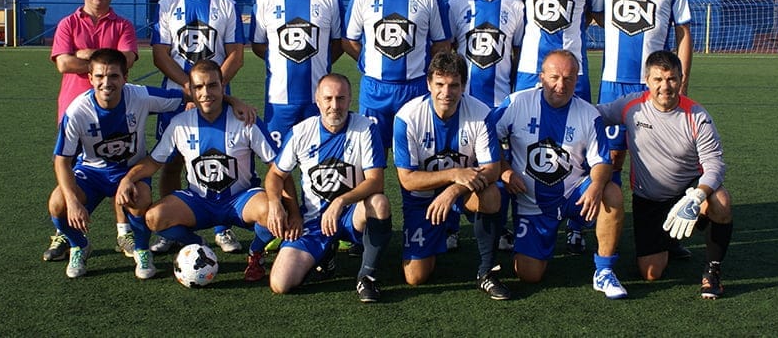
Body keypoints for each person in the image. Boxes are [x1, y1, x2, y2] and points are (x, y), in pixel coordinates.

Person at [116, 60, 282, 283]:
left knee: (274, 212)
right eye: (199, 87)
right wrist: (128, 178)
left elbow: (276, 166)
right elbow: (154, 162)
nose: (206, 93)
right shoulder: (180, 123)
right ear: (191, 91)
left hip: (239, 198)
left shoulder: (245, 119)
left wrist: (281, 203)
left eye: (212, 85)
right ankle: (197, 245)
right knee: (155, 218)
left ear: (223, 86)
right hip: (199, 201)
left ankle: (256, 252)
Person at [595, 0, 694, 259]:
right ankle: (603, 234)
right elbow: (591, 11)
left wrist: (681, 82)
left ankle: (668, 234)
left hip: (655, 89)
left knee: (662, 164)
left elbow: (684, 32)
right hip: (613, 85)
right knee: (609, 161)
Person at [595, 50, 731, 299]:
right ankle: (673, 239)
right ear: (647, 81)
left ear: (681, 79)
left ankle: (712, 271)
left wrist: (698, 196)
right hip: (650, 200)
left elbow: (715, 165)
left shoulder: (697, 115)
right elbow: (595, 114)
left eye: (671, 79)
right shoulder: (630, 106)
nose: (665, 86)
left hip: (688, 192)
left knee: (720, 201)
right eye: (658, 79)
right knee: (650, 273)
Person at [491, 49, 627, 299]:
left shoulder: (588, 113)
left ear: (577, 80)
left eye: (568, 78)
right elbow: (488, 138)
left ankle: (604, 271)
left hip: (573, 193)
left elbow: (603, 162)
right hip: (532, 204)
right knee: (529, 275)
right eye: (554, 77)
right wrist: (505, 170)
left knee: (611, 192)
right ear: (541, 77)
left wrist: (596, 185)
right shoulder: (517, 103)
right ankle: (540, 241)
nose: (560, 85)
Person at [508, 0, 604, 255]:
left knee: (575, 146)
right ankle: (518, 218)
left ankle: (578, 223)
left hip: (572, 74)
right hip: (530, 73)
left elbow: (596, 14)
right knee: (519, 144)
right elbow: (516, 15)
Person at [47, 48, 184, 279]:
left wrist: (231, 101)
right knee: (58, 203)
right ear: (90, 78)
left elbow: (190, 96)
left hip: (131, 170)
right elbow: (62, 160)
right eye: (99, 76)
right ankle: (79, 245)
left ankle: (141, 250)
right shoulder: (77, 111)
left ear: (125, 77)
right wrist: (72, 201)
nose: (106, 83)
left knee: (139, 196)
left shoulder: (140, 96)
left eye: (113, 76)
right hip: (91, 172)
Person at [151, 0, 247, 255]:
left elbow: (235, 54)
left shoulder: (226, 5)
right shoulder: (166, 5)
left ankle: (223, 227)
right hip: (176, 96)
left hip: (216, 98)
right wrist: (189, 88)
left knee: (223, 157)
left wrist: (211, 88)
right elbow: (160, 55)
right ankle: (170, 229)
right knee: (171, 161)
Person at [264, 73, 392, 303]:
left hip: (351, 216)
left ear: (350, 99)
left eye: (341, 98)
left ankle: (367, 276)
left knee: (379, 202)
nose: (335, 106)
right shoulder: (301, 132)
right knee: (280, 283)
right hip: (314, 222)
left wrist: (341, 201)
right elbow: (275, 174)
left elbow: (376, 181)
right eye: (329, 99)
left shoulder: (365, 128)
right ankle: (326, 253)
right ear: (317, 100)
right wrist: (277, 204)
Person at [393, 51, 510, 300]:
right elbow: (407, 179)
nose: (446, 92)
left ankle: (486, 271)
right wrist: (455, 174)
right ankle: (433, 240)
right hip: (422, 198)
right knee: (415, 278)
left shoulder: (480, 112)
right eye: (440, 84)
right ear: (428, 84)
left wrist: (454, 189)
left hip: (463, 191)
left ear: (463, 86)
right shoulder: (407, 117)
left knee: (491, 195)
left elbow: (492, 169)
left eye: (454, 85)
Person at [44, 0, 139, 263]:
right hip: (75, 111)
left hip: (114, 110)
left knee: (118, 166)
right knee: (69, 170)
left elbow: (126, 62)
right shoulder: (68, 24)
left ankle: (123, 232)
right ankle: (68, 233)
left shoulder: (122, 25)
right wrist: (104, 65)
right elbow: (63, 63)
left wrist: (85, 57)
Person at [446, 0, 525, 252]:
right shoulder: (455, 5)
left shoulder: (516, 7)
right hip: (464, 104)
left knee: (500, 165)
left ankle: (500, 227)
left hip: (500, 105)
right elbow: (448, 53)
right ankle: (450, 226)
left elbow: (518, 55)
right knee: (458, 162)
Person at [343, 0, 451, 150]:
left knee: (416, 156)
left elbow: (442, 45)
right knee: (371, 158)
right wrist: (368, 63)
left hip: (415, 89)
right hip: (375, 90)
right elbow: (349, 41)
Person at [252, 0, 343, 148]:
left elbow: (338, 44)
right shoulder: (265, 1)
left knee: (319, 162)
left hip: (319, 100)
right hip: (279, 100)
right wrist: (280, 61)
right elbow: (258, 45)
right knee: (277, 162)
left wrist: (320, 60)